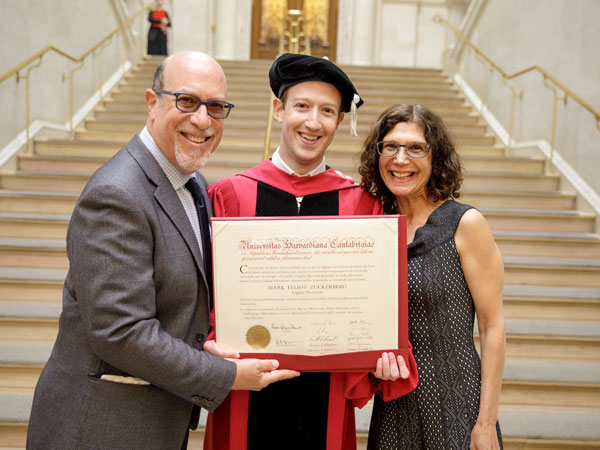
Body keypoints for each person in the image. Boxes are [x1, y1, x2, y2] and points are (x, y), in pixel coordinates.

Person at [26, 51, 299, 450]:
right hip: (102, 427)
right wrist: (226, 375)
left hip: (154, 420)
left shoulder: (191, 185)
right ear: (152, 102)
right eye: (186, 101)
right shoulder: (116, 194)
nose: (203, 120)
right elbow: (121, 331)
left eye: (217, 107)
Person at [204, 53, 419, 450]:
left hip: (327, 391)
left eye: (327, 111)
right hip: (246, 385)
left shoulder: (360, 203)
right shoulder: (231, 195)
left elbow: (372, 303)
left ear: (339, 121)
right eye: (302, 106)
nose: (313, 122)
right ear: (278, 110)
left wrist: (382, 351)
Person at [358, 103, 505, 449]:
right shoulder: (375, 227)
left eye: (415, 148)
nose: (400, 159)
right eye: (390, 146)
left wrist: (486, 422)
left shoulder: (465, 223)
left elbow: (492, 325)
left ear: (435, 157)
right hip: (395, 407)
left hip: (457, 404)